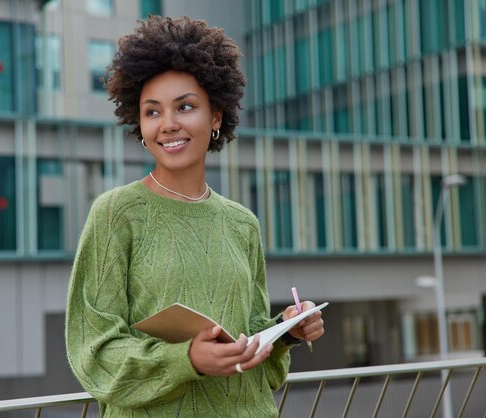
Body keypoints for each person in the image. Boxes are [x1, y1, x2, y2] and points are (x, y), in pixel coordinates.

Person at [65, 15, 324, 417]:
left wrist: (285, 330)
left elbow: (261, 362)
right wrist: (187, 359)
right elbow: (94, 353)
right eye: (152, 112)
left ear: (215, 117)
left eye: (185, 107)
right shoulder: (116, 214)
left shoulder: (242, 223)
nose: (168, 125)